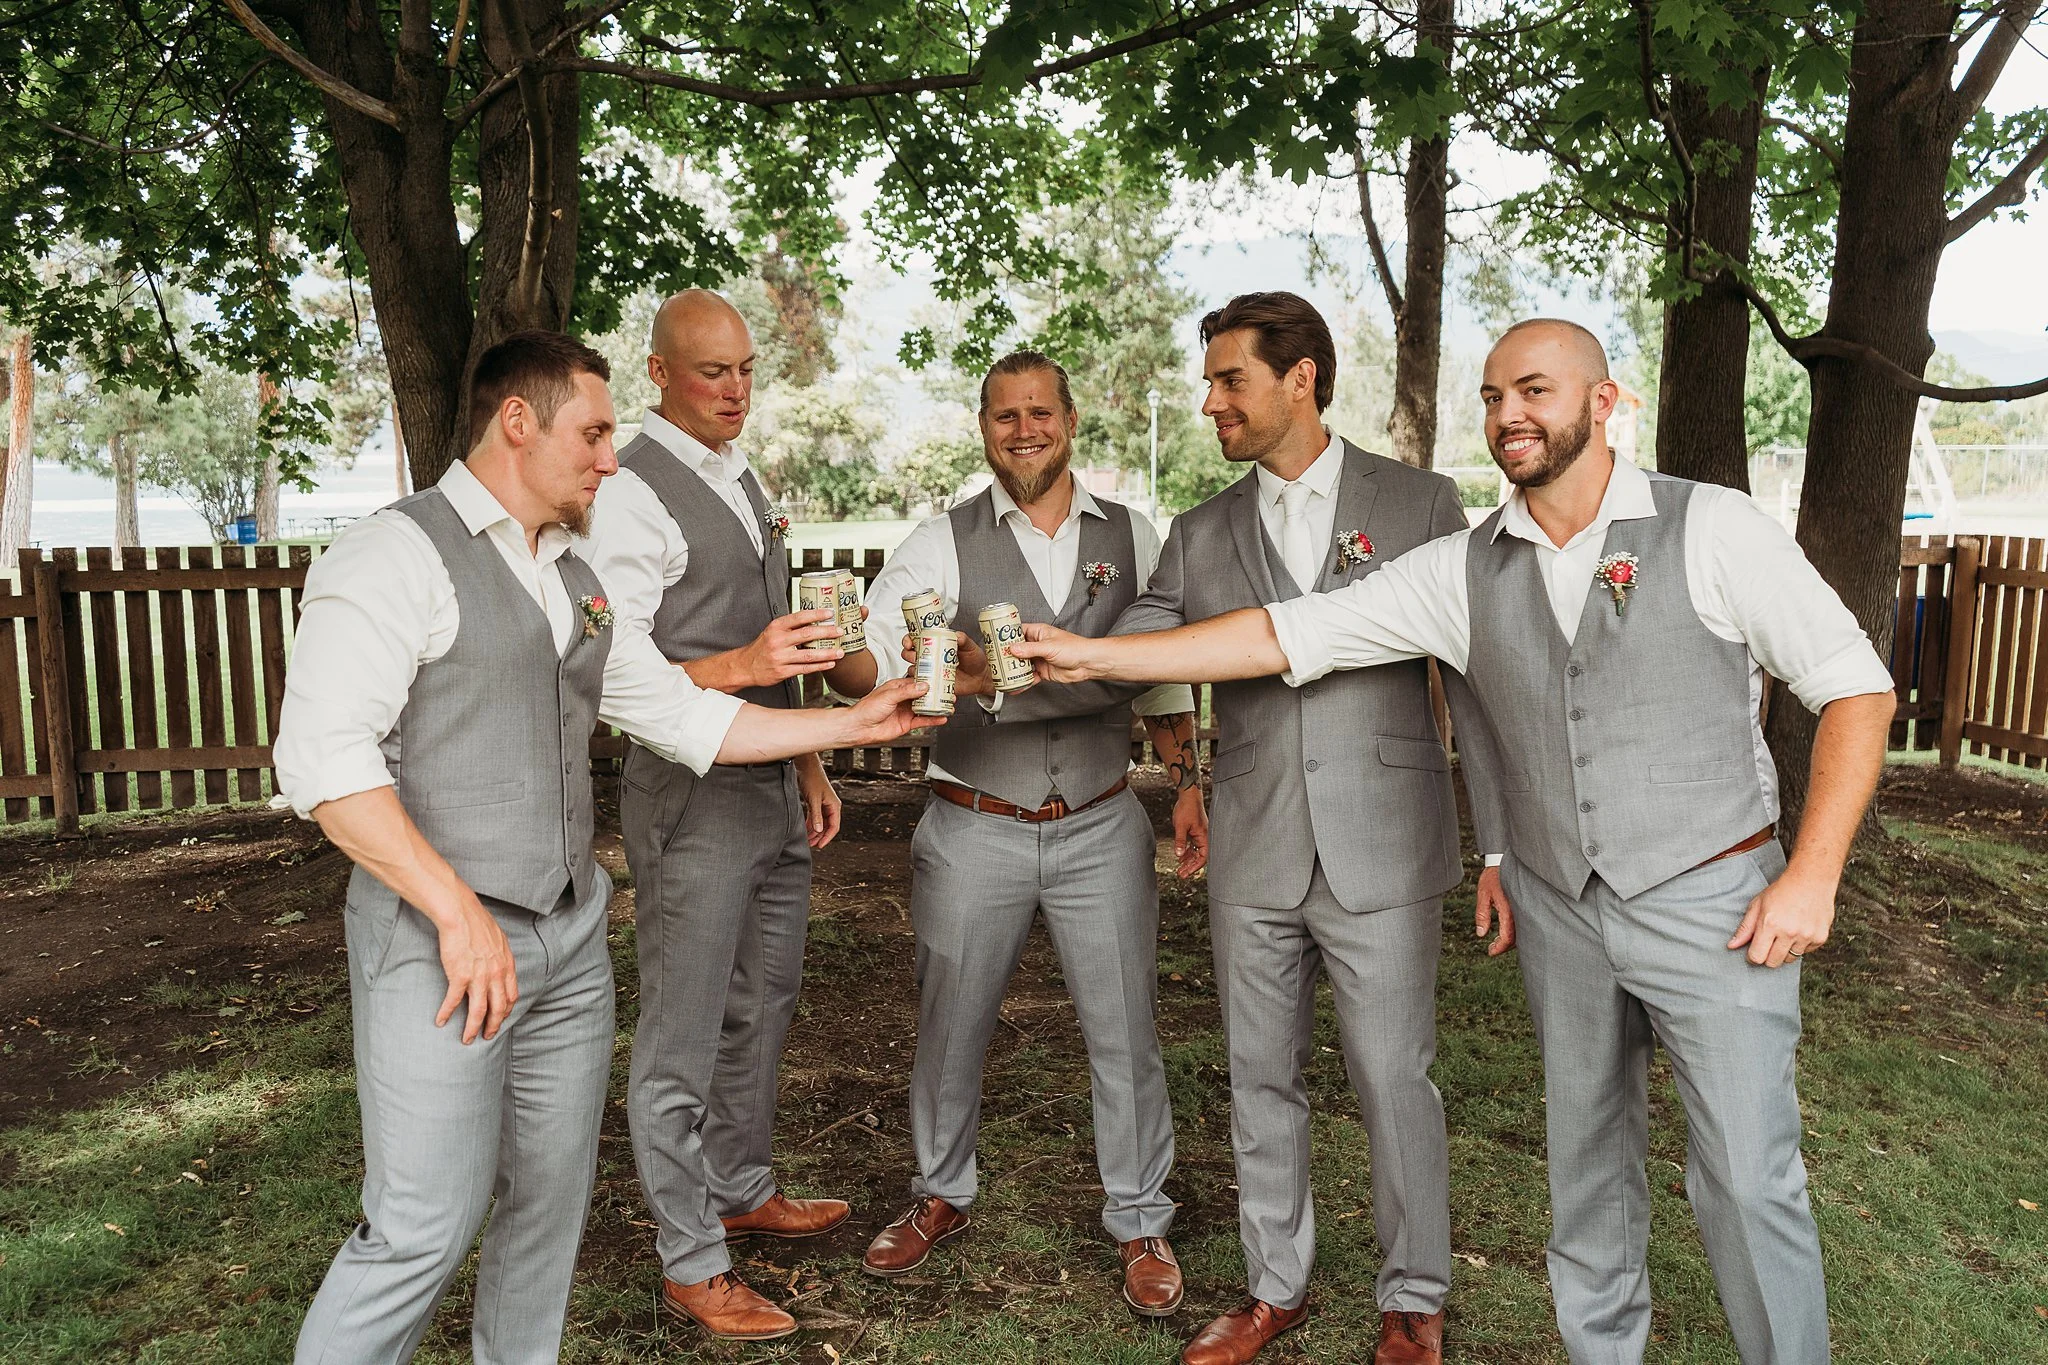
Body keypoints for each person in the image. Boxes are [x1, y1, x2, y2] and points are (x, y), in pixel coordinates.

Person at [1011, 318, 1898, 1365]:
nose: (1508, 414)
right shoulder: (1461, 567)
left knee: (1747, 1177)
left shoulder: (1711, 526)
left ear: (1602, 402)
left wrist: (1811, 875)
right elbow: (1286, 632)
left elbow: (1855, 688)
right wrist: (1091, 658)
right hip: (1563, 905)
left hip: (1715, 899)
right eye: (1491, 396)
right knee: (1585, 1171)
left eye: (1534, 390)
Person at [276, 330, 927, 1365]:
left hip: (569, 940)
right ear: (517, 422)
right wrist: (457, 915)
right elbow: (323, 765)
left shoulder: (573, 575)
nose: (611, 461)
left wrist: (853, 724)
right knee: (422, 1225)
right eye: (593, 435)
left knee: (546, 1208)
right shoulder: (394, 554)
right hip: (441, 948)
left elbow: (678, 713)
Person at [1077, 292, 1502, 1365]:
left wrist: (1496, 842)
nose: (1210, 402)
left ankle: (1413, 1296)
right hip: (1253, 844)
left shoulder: (1419, 502)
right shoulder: (1199, 530)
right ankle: (1275, 1287)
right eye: (1210, 382)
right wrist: (1051, 650)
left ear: (1300, 378)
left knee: (1393, 1078)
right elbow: (1141, 645)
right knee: (1258, 1075)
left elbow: (1473, 677)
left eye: (1230, 379)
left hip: (1385, 842)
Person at [825, 351, 1203, 1318]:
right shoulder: (940, 542)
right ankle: (939, 1190)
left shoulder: (1134, 532)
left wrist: (1188, 784)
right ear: (984, 428)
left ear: (1070, 420)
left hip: (1102, 819)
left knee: (1125, 1027)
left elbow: (1162, 672)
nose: (1024, 430)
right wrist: (845, 654)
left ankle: (1140, 1213)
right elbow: (871, 664)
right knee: (950, 1021)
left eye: (1040, 412)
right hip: (974, 822)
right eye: (1005, 416)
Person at [576, 290, 867, 1341]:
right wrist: (743, 666)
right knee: (682, 1034)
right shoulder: (627, 491)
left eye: (746, 369)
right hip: (690, 796)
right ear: (657, 373)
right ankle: (690, 1258)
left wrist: (808, 764)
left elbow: (771, 638)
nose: (736, 389)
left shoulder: (738, 472)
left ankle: (740, 1187)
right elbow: (611, 672)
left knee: (765, 1001)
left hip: (772, 786)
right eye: (713, 372)